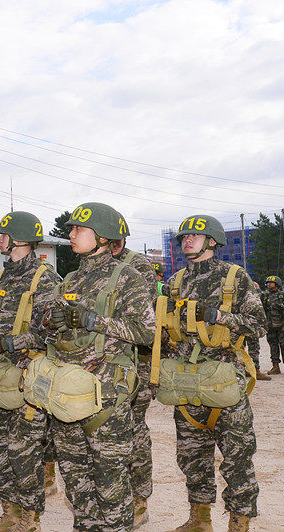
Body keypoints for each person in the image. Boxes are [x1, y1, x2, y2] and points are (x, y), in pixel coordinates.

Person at [45, 202, 155, 532]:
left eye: (79, 228)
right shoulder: (69, 280)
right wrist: (53, 322)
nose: (71, 233)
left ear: (104, 237)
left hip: (108, 400)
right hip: (68, 395)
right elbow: (49, 334)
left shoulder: (127, 278)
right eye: (71, 228)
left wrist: (96, 320)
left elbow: (146, 331)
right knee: (76, 482)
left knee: (111, 486)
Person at [164, 215, 265, 532]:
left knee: (237, 457)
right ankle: (200, 520)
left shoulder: (235, 278)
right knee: (192, 459)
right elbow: (163, 331)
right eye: (183, 236)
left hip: (224, 383)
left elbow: (259, 325)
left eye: (196, 235)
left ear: (212, 241)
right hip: (187, 383)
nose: (187, 240)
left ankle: (239, 523)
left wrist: (220, 316)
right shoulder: (175, 282)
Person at [0, 211, 58, 532]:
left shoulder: (45, 279)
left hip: (28, 381)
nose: (0, 240)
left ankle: (30, 518)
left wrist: (10, 342)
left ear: (19, 238)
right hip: (0, 380)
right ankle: (9, 512)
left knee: (22, 453)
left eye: (3, 235)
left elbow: (51, 334)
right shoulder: (0, 278)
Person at [111, 219, 159, 528]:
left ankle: (139, 498)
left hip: (136, 363)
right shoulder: (91, 265)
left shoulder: (138, 266)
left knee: (134, 429)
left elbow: (143, 314)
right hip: (104, 362)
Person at [262, 275, 284, 376]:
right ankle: (275, 366)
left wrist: (283, 307)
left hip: (282, 326)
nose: (269, 284)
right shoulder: (265, 296)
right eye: (267, 283)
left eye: (271, 283)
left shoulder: (283, 295)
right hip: (270, 326)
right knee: (273, 347)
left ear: (277, 284)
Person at [246, 282, 271, 381]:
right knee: (244, 347)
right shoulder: (244, 292)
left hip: (249, 323)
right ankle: (247, 369)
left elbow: (262, 302)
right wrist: (257, 289)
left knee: (252, 347)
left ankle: (254, 369)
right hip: (244, 323)